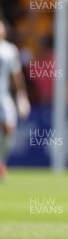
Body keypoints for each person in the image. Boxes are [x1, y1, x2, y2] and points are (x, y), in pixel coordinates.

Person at [0, 21, 30, 181]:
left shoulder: (9, 50)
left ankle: (1, 163)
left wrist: (22, 96)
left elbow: (16, 74)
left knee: (9, 129)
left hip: (2, 95)